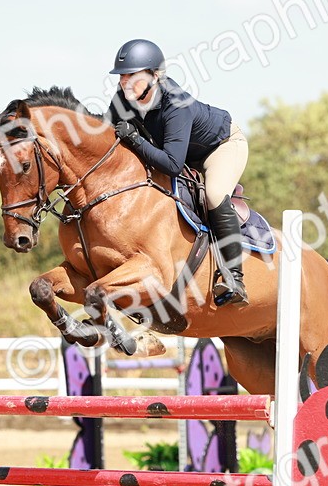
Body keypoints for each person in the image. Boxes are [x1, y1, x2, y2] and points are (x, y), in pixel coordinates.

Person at [106, 38, 250, 306]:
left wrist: (134, 140)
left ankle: (234, 279)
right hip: (179, 154)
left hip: (220, 147)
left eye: (132, 76)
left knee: (214, 194)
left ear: (154, 75)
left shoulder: (175, 104)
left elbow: (172, 165)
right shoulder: (121, 100)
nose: (125, 82)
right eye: (122, 76)